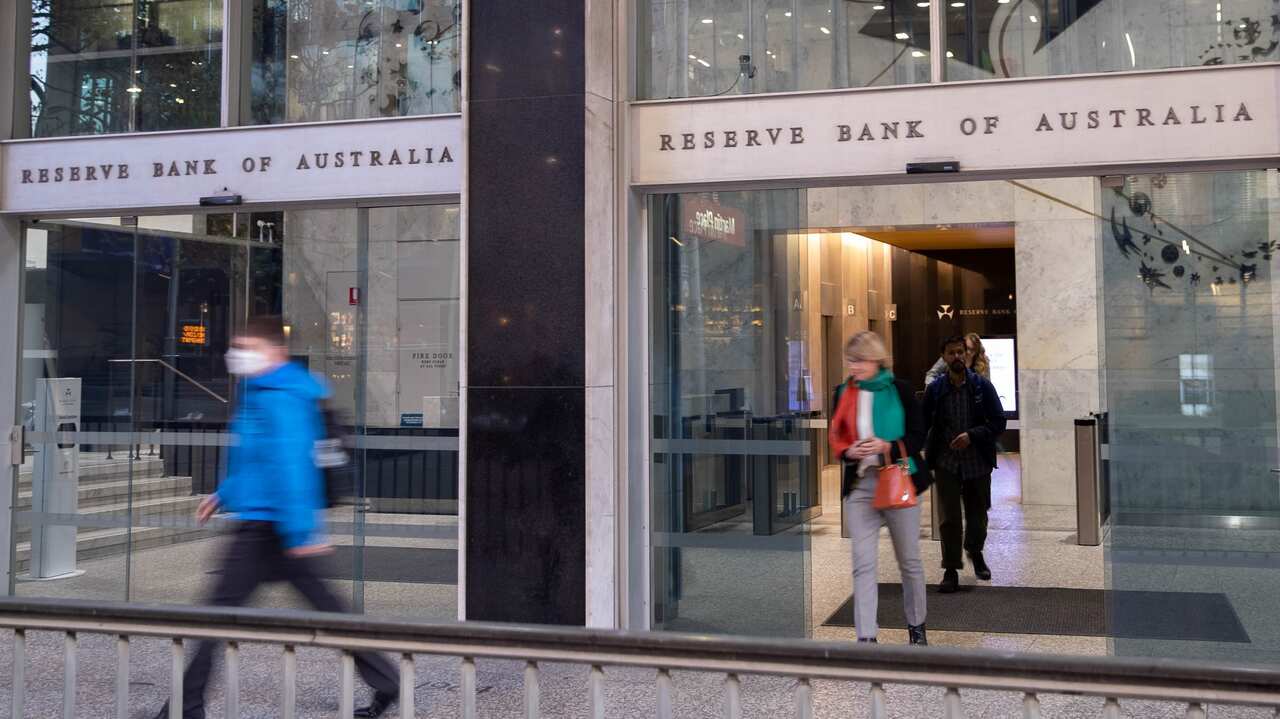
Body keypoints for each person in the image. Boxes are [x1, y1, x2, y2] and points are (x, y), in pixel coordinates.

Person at [157, 316, 399, 719]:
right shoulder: (261, 390)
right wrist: (224, 493)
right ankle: (387, 682)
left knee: (215, 615)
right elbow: (256, 459)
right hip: (267, 520)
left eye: (249, 347)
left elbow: (291, 465)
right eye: (238, 347)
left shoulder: (281, 395)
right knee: (325, 609)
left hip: (269, 526)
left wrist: (302, 531)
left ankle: (184, 709)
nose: (239, 355)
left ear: (275, 351)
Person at [829, 331, 930, 645]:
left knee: (909, 561)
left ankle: (916, 626)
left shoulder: (899, 390)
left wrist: (887, 445)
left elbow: (918, 436)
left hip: (899, 481)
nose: (853, 367)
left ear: (875, 359)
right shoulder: (843, 393)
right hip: (862, 486)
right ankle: (866, 638)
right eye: (850, 361)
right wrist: (849, 451)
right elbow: (838, 438)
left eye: (859, 361)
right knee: (863, 563)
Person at [923, 335, 1006, 594]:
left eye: (961, 352)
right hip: (946, 462)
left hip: (977, 462)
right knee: (949, 517)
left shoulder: (982, 387)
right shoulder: (935, 390)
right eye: (951, 353)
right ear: (944, 357)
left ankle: (975, 552)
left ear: (967, 355)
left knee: (977, 515)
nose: (957, 357)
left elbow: (998, 422)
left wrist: (973, 435)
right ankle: (950, 568)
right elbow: (923, 421)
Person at [923, 332, 990, 387]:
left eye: (972, 350)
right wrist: (932, 390)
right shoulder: (950, 357)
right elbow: (931, 374)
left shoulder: (983, 361)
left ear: (976, 352)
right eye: (967, 348)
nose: (968, 352)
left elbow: (987, 383)